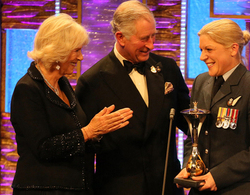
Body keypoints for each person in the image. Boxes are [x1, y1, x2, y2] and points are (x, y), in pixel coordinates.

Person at [75, 0, 190, 194]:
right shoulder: (93, 81)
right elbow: (86, 148)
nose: (151, 45)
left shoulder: (168, 69)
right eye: (144, 38)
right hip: (119, 188)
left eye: (154, 36)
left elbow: (189, 122)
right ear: (121, 37)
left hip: (166, 186)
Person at [10, 13, 133, 195]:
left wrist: (97, 133)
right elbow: (43, 148)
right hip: (42, 190)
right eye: (76, 51)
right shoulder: (27, 89)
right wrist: (88, 131)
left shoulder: (63, 84)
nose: (81, 57)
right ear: (58, 50)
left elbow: (74, 139)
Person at [175, 19, 250, 194]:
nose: (202, 57)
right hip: (202, 188)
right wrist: (190, 166)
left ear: (233, 48)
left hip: (240, 189)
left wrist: (218, 176)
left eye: (209, 49)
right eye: (202, 50)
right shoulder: (201, 81)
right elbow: (193, 134)